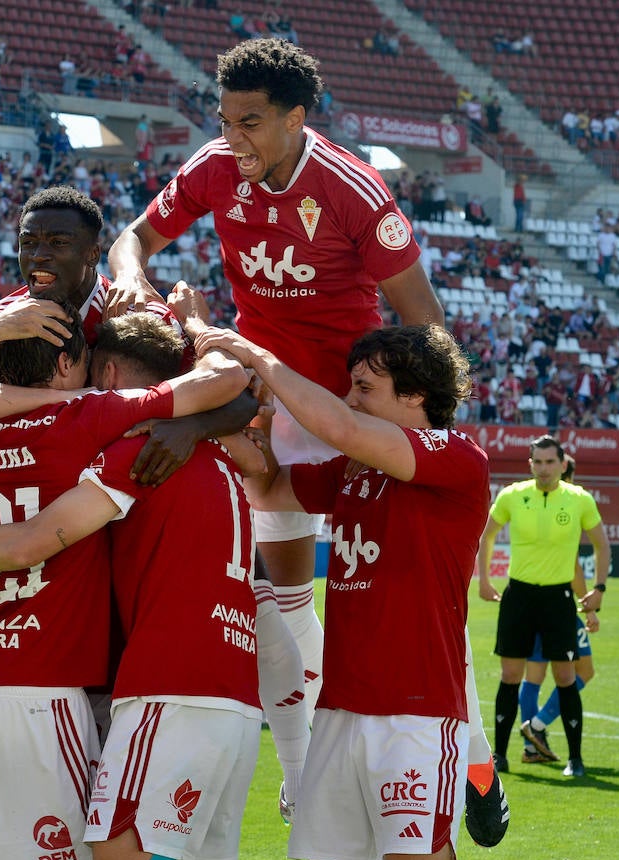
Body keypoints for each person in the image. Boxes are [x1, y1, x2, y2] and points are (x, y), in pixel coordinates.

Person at [106, 37, 444, 724]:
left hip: (349, 406)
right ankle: (305, 763)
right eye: (225, 121)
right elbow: (131, 239)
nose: (232, 139)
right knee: (283, 596)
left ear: (295, 119)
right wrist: (135, 282)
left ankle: (467, 753)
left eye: (250, 122)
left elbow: (423, 319)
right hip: (269, 398)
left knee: (391, 590)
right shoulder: (215, 168)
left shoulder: (352, 189)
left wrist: (413, 427)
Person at [0, 289, 249, 860]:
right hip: (42, 688)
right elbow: (230, 381)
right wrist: (190, 333)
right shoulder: (90, 421)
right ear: (67, 368)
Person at [190, 321, 490, 860]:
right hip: (338, 714)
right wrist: (254, 410)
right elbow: (270, 487)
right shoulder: (354, 470)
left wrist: (252, 349)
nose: (350, 398)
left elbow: (340, 425)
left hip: (417, 718)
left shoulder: (456, 459)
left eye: (364, 387)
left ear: (415, 396)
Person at [478, 435, 609, 778]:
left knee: (566, 677)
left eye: (551, 462)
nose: (544, 468)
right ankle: (500, 757)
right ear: (530, 464)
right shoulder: (512, 496)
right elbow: (487, 535)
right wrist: (483, 580)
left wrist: (599, 589)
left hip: (558, 599)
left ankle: (575, 759)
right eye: (538, 462)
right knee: (510, 675)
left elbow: (601, 545)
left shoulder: (579, 499)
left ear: (563, 464)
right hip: (518, 596)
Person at [516, 455, 598, 764]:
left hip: (529, 600)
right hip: (558, 603)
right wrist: (586, 605)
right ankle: (535, 727)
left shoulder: (535, 507)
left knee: (533, 675)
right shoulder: (566, 509)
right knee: (584, 672)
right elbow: (574, 566)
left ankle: (530, 748)